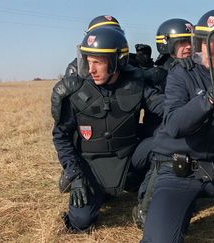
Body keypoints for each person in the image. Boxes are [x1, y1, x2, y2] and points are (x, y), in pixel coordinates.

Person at [140, 9, 214, 242]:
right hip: (180, 172)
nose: (210, 49)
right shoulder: (182, 74)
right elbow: (175, 125)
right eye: (205, 43)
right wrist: (208, 98)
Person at [52, 26, 163, 232]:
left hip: (128, 159)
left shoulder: (137, 85)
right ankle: (96, 193)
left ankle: (147, 203)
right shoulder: (74, 91)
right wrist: (75, 175)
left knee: (162, 144)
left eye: (98, 62)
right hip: (90, 166)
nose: (91, 69)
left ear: (117, 61)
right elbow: (61, 136)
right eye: (88, 61)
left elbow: (164, 107)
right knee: (81, 222)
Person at [132, 18, 194, 229]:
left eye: (190, 41)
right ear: (166, 43)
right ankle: (145, 207)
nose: (188, 47)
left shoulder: (196, 68)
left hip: (185, 131)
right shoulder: (155, 74)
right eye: (182, 42)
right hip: (157, 137)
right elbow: (161, 106)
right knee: (167, 151)